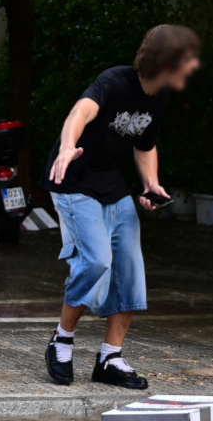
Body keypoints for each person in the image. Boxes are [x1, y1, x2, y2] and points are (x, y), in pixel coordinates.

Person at [41, 24, 200, 389]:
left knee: (129, 270)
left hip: (111, 184)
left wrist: (151, 183)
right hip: (73, 180)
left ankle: (110, 358)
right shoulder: (114, 81)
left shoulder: (158, 97)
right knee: (96, 261)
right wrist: (67, 147)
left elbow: (144, 145)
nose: (191, 67)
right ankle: (61, 340)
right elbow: (78, 114)